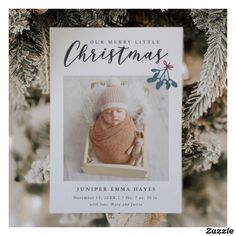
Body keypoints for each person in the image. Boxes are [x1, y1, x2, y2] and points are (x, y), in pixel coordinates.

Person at [90, 82, 143, 165]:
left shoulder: (128, 122)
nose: (114, 115)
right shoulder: (99, 124)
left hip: (128, 156)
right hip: (103, 156)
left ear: (125, 112)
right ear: (102, 113)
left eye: (119, 111)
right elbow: (95, 135)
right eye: (108, 111)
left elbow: (134, 135)